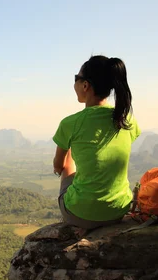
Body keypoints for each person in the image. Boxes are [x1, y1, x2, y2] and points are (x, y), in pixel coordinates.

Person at [53, 55, 141, 230]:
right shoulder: (126, 120)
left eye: (76, 79)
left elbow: (58, 165)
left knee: (68, 159)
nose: (74, 84)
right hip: (119, 210)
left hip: (81, 213)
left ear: (85, 85)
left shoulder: (70, 123)